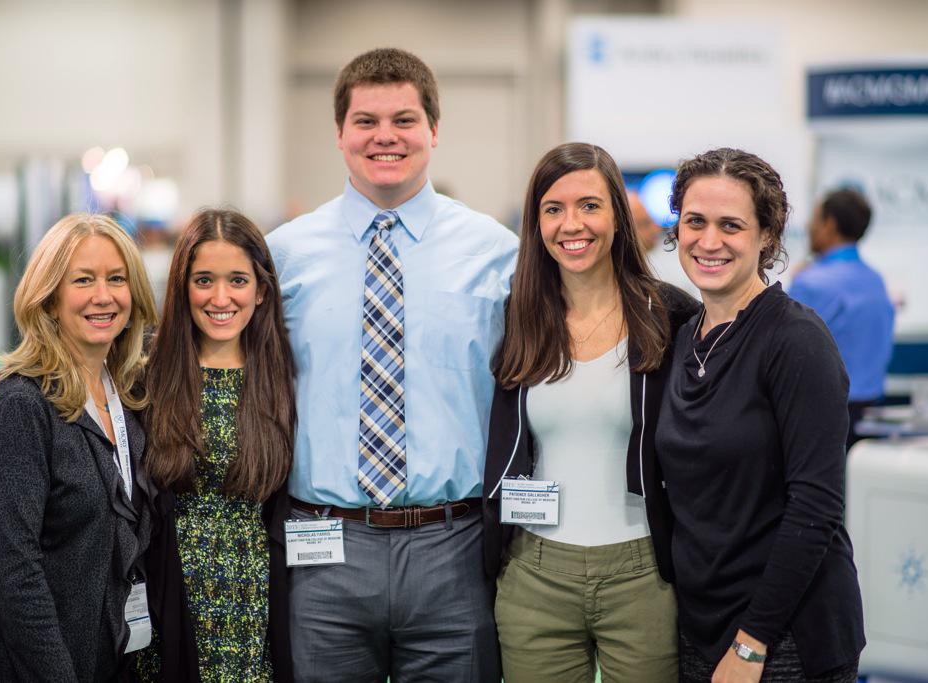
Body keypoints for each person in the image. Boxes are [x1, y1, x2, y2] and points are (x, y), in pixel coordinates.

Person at [266, 47, 518, 682]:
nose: (385, 137)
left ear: (434, 130)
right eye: (366, 121)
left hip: (453, 549)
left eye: (404, 120)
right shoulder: (281, 256)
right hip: (322, 548)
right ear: (340, 134)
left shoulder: (498, 255)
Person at [482, 143, 698, 682]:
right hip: (535, 575)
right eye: (553, 209)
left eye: (589, 206)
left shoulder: (669, 316)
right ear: (535, 223)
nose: (570, 224)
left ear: (618, 220)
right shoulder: (517, 319)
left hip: (642, 573)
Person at [656, 148, 865, 682]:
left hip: (784, 636)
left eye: (732, 225)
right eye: (695, 221)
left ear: (767, 235)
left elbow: (816, 506)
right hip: (702, 627)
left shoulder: (795, 340)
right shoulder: (684, 338)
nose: (709, 241)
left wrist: (753, 643)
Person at [0, 214, 159, 681]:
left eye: (116, 279)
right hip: (24, 663)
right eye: (83, 280)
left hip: (102, 653)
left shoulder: (126, 394)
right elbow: (13, 572)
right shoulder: (20, 407)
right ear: (50, 297)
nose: (103, 296)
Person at [138, 209, 296, 682]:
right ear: (182, 286)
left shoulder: (284, 378)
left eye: (238, 280)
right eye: (204, 280)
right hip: (168, 589)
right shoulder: (146, 375)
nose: (221, 297)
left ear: (262, 289)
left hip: (256, 597)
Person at [788, 189, 895, 447]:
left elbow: (789, 353)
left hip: (823, 415)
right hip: (869, 414)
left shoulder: (811, 282)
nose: (809, 227)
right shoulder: (876, 280)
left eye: (815, 219)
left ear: (830, 225)